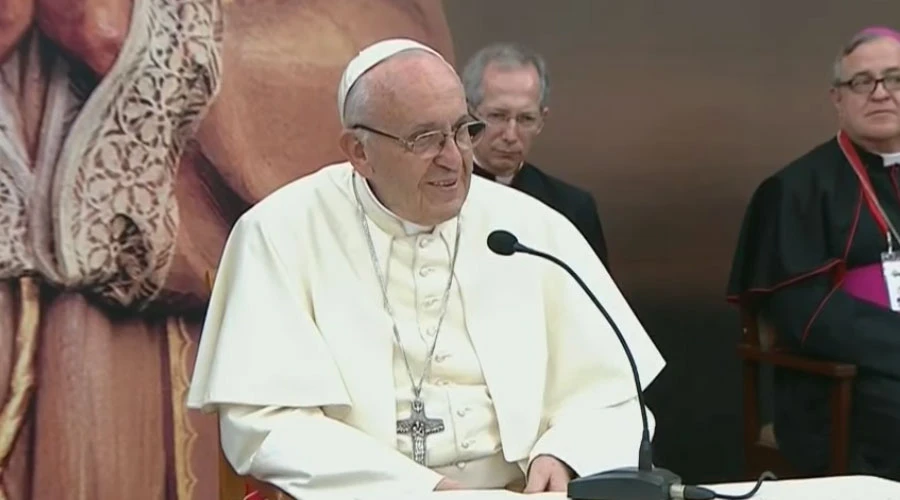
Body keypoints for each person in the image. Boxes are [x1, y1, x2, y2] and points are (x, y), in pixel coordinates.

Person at [187, 38, 666, 499]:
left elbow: (613, 392)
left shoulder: (530, 228)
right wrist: (418, 490)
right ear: (359, 152)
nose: (455, 160)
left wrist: (566, 453)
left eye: (462, 131)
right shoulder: (280, 233)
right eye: (425, 139)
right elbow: (266, 421)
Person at [727, 26, 900, 480]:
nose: (881, 93)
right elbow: (807, 315)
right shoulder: (796, 188)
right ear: (837, 99)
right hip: (841, 381)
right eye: (863, 82)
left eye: (895, 79)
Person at [460, 43, 611, 269]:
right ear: (468, 112)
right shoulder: (432, 198)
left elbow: (595, 297)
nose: (510, 135)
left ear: (542, 119)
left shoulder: (571, 208)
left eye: (526, 119)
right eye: (498, 116)